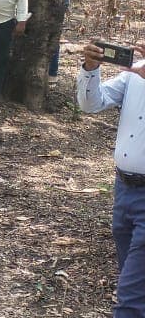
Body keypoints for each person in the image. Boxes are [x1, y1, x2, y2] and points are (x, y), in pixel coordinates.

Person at [75, 39, 145, 317]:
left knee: (129, 297)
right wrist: (91, 68)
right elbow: (92, 104)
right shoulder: (134, 73)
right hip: (125, 189)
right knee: (134, 280)